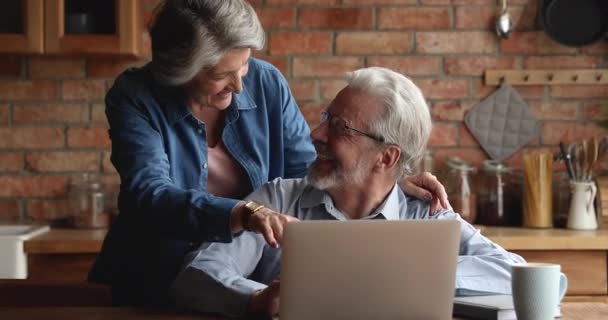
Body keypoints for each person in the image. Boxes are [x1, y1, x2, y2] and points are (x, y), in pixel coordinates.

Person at [88, 0, 449, 307]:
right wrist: (242, 213)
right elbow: (149, 193)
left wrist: (380, 176)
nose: (240, 84)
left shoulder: (266, 82)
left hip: (249, 283)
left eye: (243, 64)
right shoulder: (136, 95)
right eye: (221, 74)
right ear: (177, 71)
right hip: (154, 282)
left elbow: (306, 173)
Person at [169, 67, 526, 318]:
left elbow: (520, 275)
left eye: (338, 127)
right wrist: (256, 299)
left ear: (386, 157)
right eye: (326, 117)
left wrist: (412, 273)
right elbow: (195, 275)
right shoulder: (277, 200)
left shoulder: (427, 216)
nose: (316, 134)